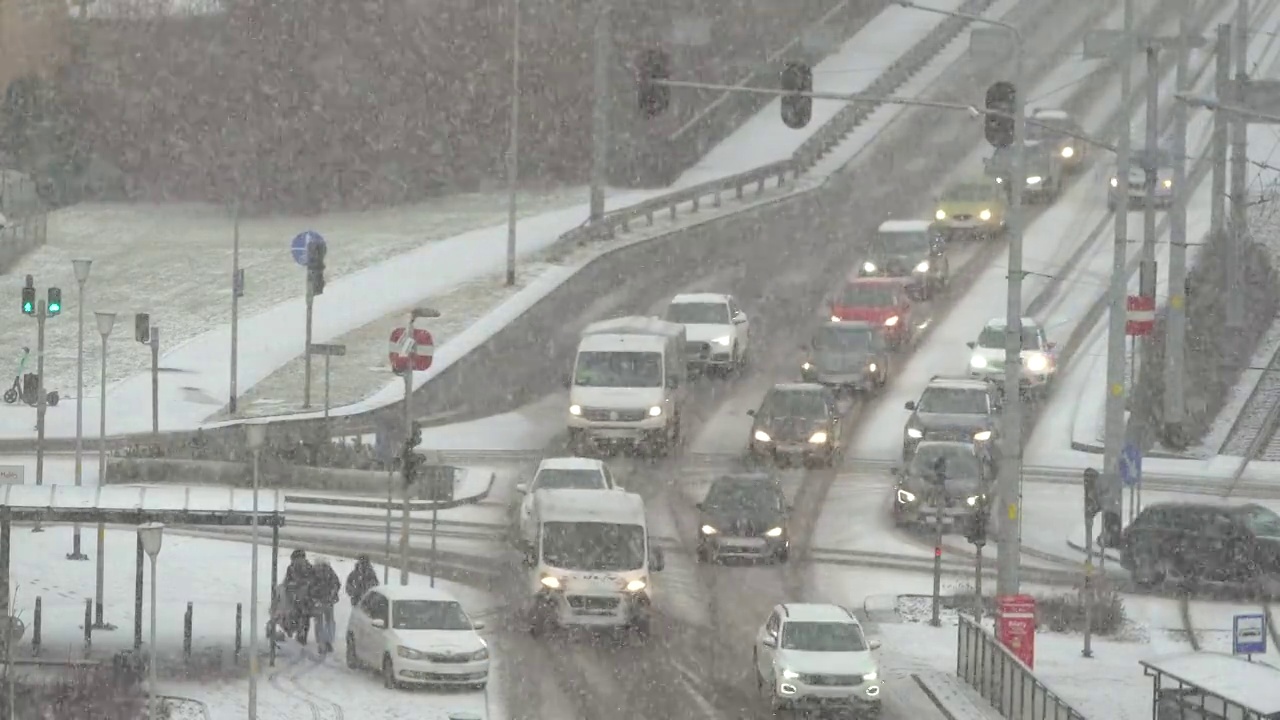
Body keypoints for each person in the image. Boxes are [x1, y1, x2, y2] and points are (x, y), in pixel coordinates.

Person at [310, 556, 341, 655]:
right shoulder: (330, 572)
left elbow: (310, 586)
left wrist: (314, 595)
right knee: (329, 621)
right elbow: (337, 584)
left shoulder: (313, 573)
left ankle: (321, 642)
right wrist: (332, 593)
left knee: (319, 622)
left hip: (318, 601)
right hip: (328, 600)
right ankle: (328, 641)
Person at [284, 549, 314, 644]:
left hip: (295, 597)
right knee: (305, 617)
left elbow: (287, 582)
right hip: (306, 598)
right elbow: (313, 581)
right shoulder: (309, 567)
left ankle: (296, 632)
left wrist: (290, 588)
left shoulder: (291, 567)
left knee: (296, 616)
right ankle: (302, 636)